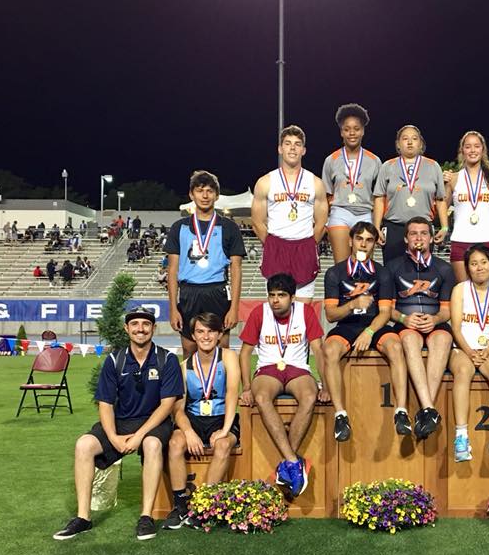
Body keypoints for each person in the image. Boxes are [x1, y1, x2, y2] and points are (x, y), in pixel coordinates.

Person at [53, 307, 183, 541]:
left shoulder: (168, 359)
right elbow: (105, 403)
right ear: (127, 329)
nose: (140, 329)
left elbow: (166, 405)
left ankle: (146, 517)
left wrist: (139, 436)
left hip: (154, 422)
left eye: (145, 324)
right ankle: (83, 517)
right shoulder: (115, 359)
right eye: (135, 324)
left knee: (152, 445)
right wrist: (113, 437)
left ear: (153, 328)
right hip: (121, 422)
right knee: (84, 445)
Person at [239, 274, 329, 499]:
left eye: (281, 295)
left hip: (298, 368)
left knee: (310, 396)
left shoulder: (305, 312)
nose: (275, 300)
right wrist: (247, 387)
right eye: (272, 295)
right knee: (261, 398)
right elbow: (245, 353)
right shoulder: (259, 312)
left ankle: (287, 464)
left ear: (292, 297)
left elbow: (318, 350)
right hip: (268, 368)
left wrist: (325, 385)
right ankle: (293, 462)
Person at [321, 222, 406, 442]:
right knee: (329, 350)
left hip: (375, 324)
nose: (364, 244)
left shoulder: (383, 272)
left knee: (396, 347)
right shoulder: (335, 273)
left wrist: (369, 331)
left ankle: (401, 412)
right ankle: (340, 415)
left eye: (369, 240)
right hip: (346, 325)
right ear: (350, 241)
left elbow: (386, 312)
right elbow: (331, 315)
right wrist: (352, 304)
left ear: (375, 244)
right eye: (360, 238)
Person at [163, 312, 241, 529]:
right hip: (194, 419)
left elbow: (233, 392)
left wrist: (225, 429)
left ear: (218, 334)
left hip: (222, 417)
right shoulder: (184, 366)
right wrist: (188, 432)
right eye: (200, 331)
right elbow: (178, 409)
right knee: (175, 442)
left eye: (211, 331)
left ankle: (203, 505)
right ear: (193, 336)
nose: (206, 336)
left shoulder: (228, 357)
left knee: (223, 444)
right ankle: (180, 506)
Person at [386, 217, 455, 439]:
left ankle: (427, 410)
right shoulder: (393, 267)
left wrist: (435, 320)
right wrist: (404, 319)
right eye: (414, 233)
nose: (418, 238)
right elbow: (389, 309)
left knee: (443, 339)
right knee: (409, 340)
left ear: (431, 238)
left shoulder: (444, 268)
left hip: (435, 321)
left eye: (423, 233)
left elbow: (446, 311)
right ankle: (429, 409)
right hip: (407, 324)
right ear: (406, 238)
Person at [165, 170, 246, 358]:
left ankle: (225, 388)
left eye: (210, 191)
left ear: (217, 196)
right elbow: (172, 269)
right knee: (189, 350)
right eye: (200, 190)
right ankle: (190, 388)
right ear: (191, 194)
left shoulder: (229, 227)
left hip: (216, 291)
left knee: (222, 351)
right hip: (188, 292)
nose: (205, 195)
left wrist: (234, 308)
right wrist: (173, 308)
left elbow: (236, 269)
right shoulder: (179, 227)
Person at [448, 244, 489, 461]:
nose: (479, 267)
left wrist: (485, 352)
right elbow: (456, 327)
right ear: (467, 268)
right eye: (473, 264)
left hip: (487, 348)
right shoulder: (459, 290)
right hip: (462, 347)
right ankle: (461, 436)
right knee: (464, 372)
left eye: (483, 262)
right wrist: (469, 351)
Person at [252, 125, 329, 300]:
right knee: (277, 307)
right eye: (287, 143)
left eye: (297, 144)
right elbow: (257, 222)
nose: (292, 148)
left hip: (304, 247)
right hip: (276, 246)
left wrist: (308, 244)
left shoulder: (315, 183)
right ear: (280, 148)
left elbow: (322, 222)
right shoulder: (265, 182)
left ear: (304, 150)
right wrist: (273, 244)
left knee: (302, 309)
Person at [373, 125, 449, 264]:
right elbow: (379, 198)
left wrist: (444, 227)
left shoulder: (433, 166)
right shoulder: (387, 166)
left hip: (423, 229)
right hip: (394, 228)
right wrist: (377, 227)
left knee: (421, 272)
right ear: (398, 144)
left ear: (420, 144)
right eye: (405, 138)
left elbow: (440, 199)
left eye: (414, 138)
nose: (409, 142)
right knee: (392, 273)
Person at [443, 131, 489, 282]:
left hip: (486, 239)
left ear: (482, 150)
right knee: (464, 294)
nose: (472, 150)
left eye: (476, 146)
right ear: (462, 151)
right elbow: (442, 208)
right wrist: (443, 184)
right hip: (460, 241)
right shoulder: (453, 178)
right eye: (468, 147)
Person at [321, 103, 382, 263]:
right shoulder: (331, 160)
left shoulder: (374, 161)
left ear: (363, 131)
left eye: (356, 128)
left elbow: (379, 197)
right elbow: (326, 195)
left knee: (363, 267)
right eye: (347, 129)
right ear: (341, 132)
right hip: (340, 213)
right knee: (342, 267)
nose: (352, 133)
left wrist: (377, 223)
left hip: (365, 214)